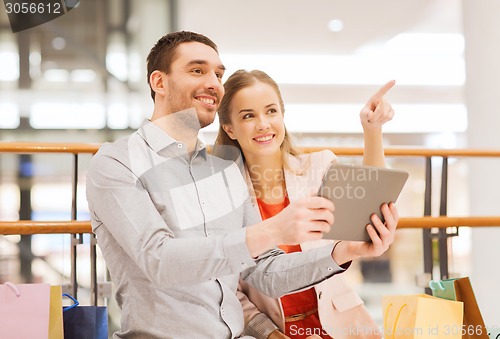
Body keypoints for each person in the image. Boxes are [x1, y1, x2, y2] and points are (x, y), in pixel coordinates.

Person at [86, 31, 399, 339]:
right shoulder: (116, 163)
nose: (213, 82)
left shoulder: (222, 172)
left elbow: (263, 271)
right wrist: (272, 230)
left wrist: (345, 249)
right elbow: (159, 259)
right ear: (159, 82)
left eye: (218, 74)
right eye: (198, 70)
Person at [215, 69, 396, 339]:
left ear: (282, 116)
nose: (263, 124)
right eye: (248, 116)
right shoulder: (221, 195)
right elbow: (229, 291)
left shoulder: (318, 167)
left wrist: (372, 130)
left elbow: (370, 209)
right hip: (275, 331)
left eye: (271, 111)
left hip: (340, 326)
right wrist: (271, 335)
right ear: (229, 128)